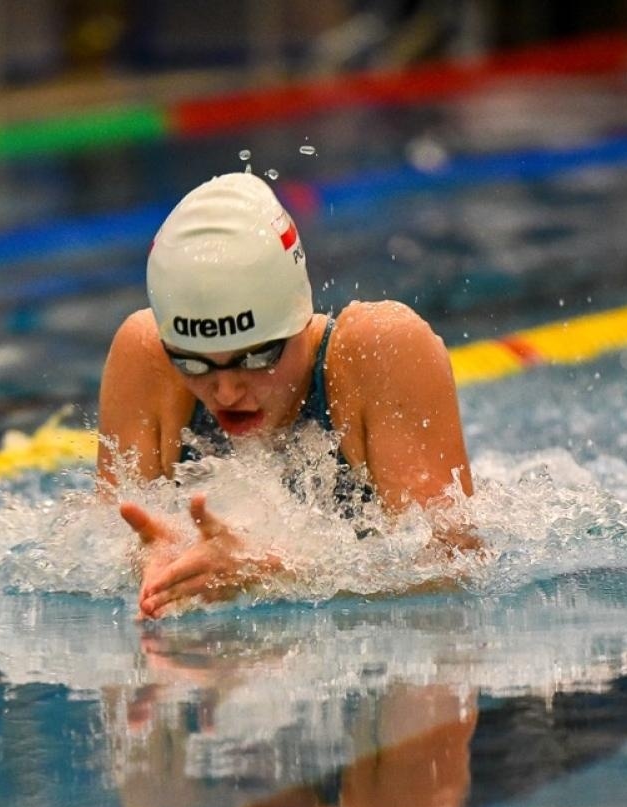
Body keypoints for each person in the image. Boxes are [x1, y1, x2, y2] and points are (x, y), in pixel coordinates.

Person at [98, 172, 474, 619]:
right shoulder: (147, 356)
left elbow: (454, 567)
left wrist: (269, 570)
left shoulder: (379, 352)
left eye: (257, 358)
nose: (226, 390)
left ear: (300, 316)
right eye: (193, 363)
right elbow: (103, 540)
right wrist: (151, 563)